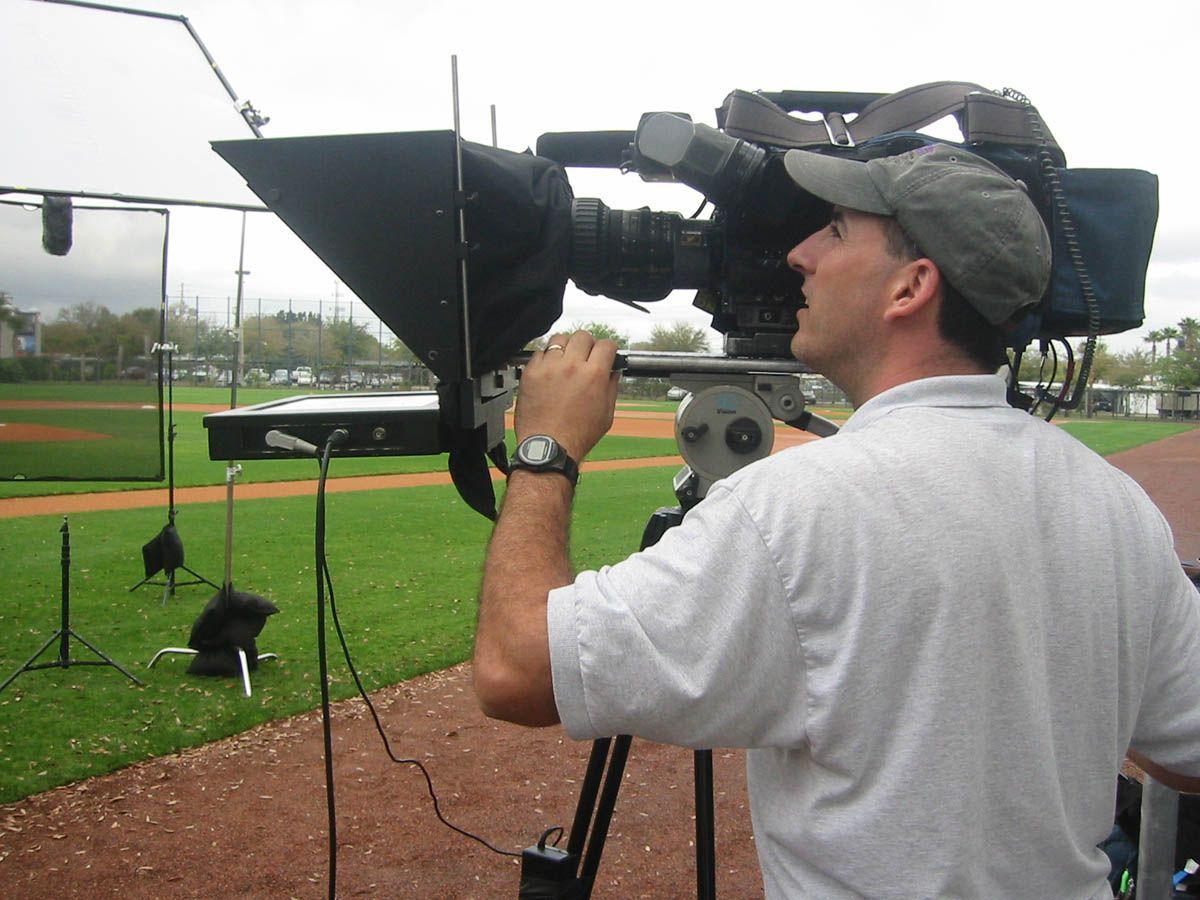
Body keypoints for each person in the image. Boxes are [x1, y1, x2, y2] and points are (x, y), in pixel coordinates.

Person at [473, 144, 1200, 898]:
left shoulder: (796, 508)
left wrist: (545, 448)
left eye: (839, 232)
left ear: (911, 287)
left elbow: (516, 670)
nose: (799, 254)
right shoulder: (1116, 505)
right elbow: (1186, 752)